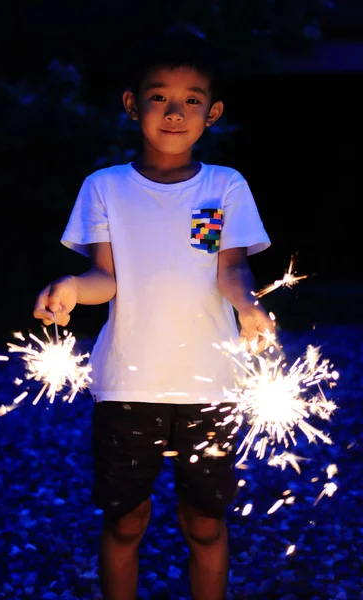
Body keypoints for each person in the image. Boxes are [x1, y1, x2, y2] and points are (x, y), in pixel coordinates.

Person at [33, 30, 275, 600]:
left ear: (212, 112)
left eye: (192, 99)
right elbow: (105, 279)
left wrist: (249, 305)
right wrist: (70, 286)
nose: (174, 112)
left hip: (212, 387)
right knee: (124, 522)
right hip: (126, 385)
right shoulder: (105, 188)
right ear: (131, 104)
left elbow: (229, 270)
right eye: (159, 96)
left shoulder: (222, 188)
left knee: (206, 524)